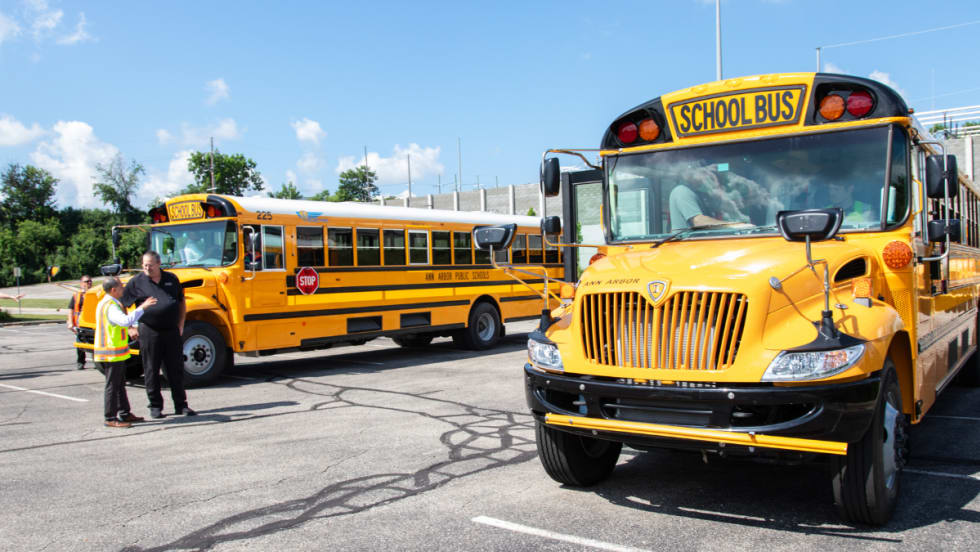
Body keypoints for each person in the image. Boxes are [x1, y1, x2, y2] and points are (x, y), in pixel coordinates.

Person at [122, 251, 197, 419]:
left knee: (175, 369)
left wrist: (181, 324)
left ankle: (181, 405)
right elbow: (123, 303)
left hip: (171, 330)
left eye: (150, 264)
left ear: (158, 263)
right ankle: (155, 406)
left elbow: (181, 302)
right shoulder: (136, 282)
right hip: (149, 330)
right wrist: (130, 327)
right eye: (144, 265)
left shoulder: (171, 279)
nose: (147, 268)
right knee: (151, 369)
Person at [95, 277, 157, 428]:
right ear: (114, 290)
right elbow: (125, 321)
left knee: (119, 384)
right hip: (110, 352)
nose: (124, 289)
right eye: (121, 287)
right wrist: (143, 307)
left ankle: (124, 413)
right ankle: (110, 417)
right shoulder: (110, 306)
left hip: (113, 351)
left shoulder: (107, 302)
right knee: (113, 386)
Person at [668, 165, 752, 230]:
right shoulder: (682, 191)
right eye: (704, 173)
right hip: (687, 249)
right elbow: (699, 221)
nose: (708, 176)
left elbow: (725, 211)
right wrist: (735, 226)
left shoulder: (703, 195)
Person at [66, 275, 93, 370]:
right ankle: (81, 362)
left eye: (90, 281)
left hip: (93, 324)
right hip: (81, 324)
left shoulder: (96, 294)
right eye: (86, 281)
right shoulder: (76, 295)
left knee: (96, 343)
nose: (89, 283)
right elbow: (71, 309)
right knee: (80, 342)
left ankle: (98, 362)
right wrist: (70, 322)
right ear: (81, 284)